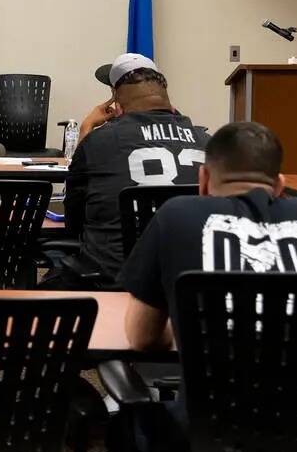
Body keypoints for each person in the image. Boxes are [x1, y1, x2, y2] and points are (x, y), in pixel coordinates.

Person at [117, 121, 297, 452]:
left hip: (211, 448)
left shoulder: (176, 215)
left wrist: (190, 323)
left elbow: (141, 337)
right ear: (280, 185)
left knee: (137, 423)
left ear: (203, 179)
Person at [60, 53, 209, 287]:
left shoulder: (98, 142)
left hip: (115, 280)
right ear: (170, 105)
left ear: (117, 108)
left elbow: (74, 222)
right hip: (189, 282)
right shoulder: (207, 142)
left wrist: (87, 127)